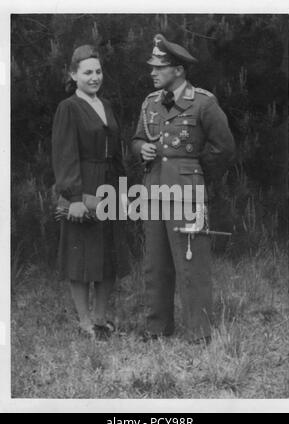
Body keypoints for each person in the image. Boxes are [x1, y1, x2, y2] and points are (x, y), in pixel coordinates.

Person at [131, 34, 236, 343]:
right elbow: (137, 138)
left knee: (192, 263)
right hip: (152, 192)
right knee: (155, 263)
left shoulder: (203, 102)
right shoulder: (150, 102)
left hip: (187, 192)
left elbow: (224, 148)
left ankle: (199, 332)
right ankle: (157, 328)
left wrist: (197, 174)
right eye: (152, 67)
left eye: (159, 67)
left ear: (177, 70)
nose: (152, 72)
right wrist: (141, 150)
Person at [52, 44, 129, 339]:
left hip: (109, 184)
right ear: (74, 74)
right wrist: (73, 197)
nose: (94, 77)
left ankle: (100, 317)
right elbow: (64, 153)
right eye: (87, 72)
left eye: (98, 71)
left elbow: (117, 152)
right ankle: (84, 321)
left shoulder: (106, 106)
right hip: (84, 185)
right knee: (81, 255)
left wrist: (122, 189)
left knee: (107, 253)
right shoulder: (68, 107)